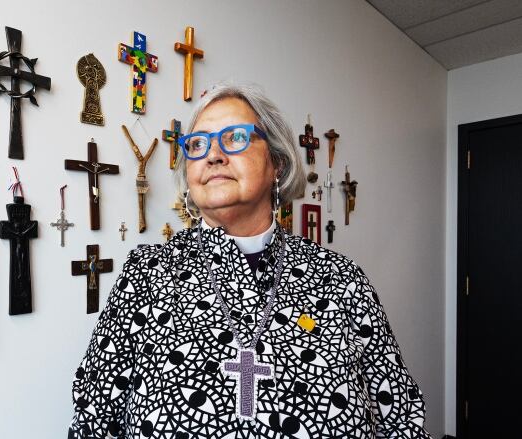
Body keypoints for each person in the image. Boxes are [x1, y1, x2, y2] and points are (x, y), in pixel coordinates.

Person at [68, 83, 432, 438]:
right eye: (198, 144)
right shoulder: (147, 275)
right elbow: (92, 421)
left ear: (277, 162)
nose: (213, 155)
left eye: (234, 138)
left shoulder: (342, 280)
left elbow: (401, 419)